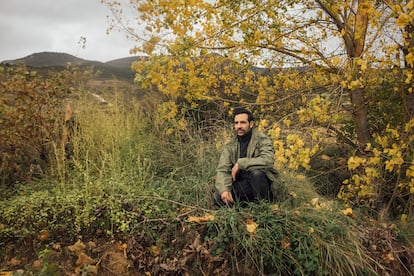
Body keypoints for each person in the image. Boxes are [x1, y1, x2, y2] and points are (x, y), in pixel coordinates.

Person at [213, 107, 279, 206]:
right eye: (236, 123)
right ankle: (245, 206)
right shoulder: (230, 145)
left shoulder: (262, 139)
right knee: (217, 197)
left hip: (261, 184)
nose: (239, 126)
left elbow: (268, 160)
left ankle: (262, 207)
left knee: (256, 174)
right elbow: (223, 169)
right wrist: (224, 190)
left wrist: (241, 164)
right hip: (243, 184)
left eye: (243, 122)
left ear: (251, 124)